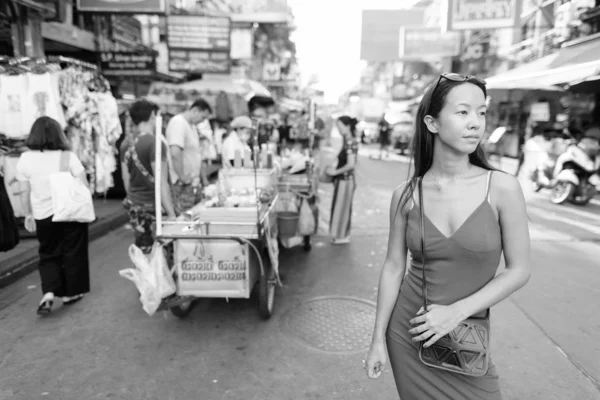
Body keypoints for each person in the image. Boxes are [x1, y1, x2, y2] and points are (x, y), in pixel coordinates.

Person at [364, 73, 531, 399]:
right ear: (432, 122)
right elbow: (393, 267)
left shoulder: (501, 188)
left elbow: (520, 270)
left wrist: (456, 311)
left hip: (465, 336)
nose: (476, 123)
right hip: (410, 333)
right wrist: (376, 340)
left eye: (482, 113)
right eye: (463, 112)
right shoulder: (406, 194)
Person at [16, 116, 91, 315]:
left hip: (42, 215)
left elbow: (24, 191)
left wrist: (27, 215)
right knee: (72, 251)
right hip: (68, 212)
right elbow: (83, 184)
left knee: (48, 253)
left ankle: (48, 292)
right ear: (59, 134)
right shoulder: (67, 156)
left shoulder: (26, 159)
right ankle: (69, 294)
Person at [120, 99, 176, 254]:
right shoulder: (155, 143)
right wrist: (171, 213)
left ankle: (145, 278)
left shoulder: (125, 144)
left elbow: (126, 179)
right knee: (164, 253)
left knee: (144, 253)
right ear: (152, 115)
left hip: (136, 208)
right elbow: (161, 182)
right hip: (156, 208)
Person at [166, 99, 212, 214]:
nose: (202, 121)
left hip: (192, 183)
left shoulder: (192, 127)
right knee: (184, 218)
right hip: (181, 184)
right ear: (195, 110)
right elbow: (175, 152)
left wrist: (203, 178)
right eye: (202, 117)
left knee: (193, 215)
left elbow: (196, 154)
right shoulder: (178, 123)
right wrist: (182, 176)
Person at [327, 116, 359, 244]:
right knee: (341, 207)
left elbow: (351, 164)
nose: (339, 129)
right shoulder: (347, 141)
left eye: (340, 126)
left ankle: (342, 236)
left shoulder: (350, 142)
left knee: (342, 208)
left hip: (346, 181)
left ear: (347, 126)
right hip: (345, 180)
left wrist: (335, 172)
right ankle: (340, 235)